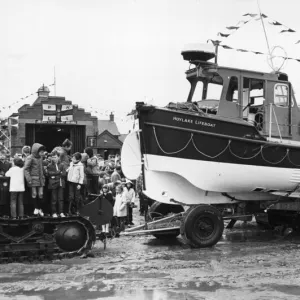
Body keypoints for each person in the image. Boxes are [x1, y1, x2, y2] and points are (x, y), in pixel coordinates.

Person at [24, 143, 46, 216]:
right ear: (36, 151)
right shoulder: (30, 158)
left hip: (40, 179)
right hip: (33, 179)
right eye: (41, 152)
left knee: (41, 194)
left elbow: (41, 168)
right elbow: (26, 169)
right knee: (34, 194)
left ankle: (39, 208)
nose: (42, 153)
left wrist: (44, 175)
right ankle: (36, 208)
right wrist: (29, 179)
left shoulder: (40, 158)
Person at [46, 151, 66, 217]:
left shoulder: (62, 165)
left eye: (55, 157)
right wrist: (57, 173)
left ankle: (61, 212)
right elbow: (49, 174)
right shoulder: (49, 165)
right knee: (54, 199)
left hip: (60, 183)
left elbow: (64, 174)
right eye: (52, 157)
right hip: (53, 184)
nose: (53, 158)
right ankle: (54, 212)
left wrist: (55, 174)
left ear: (58, 157)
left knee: (60, 199)